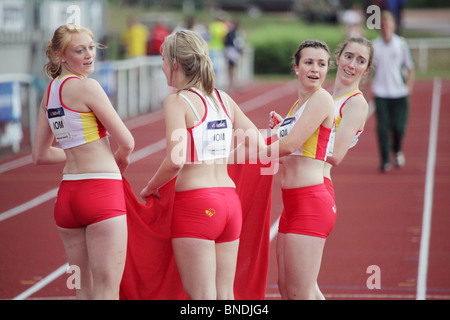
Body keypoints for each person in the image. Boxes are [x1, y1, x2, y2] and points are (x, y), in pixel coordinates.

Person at [139, 30, 265, 300]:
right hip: (230, 205)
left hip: (197, 205)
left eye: (163, 60)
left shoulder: (177, 101)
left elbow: (175, 160)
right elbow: (257, 143)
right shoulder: (223, 99)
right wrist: (218, 157)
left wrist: (151, 186)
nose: (161, 67)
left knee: (202, 298)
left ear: (175, 63)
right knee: (225, 295)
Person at [32, 24, 135, 299]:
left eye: (91, 47)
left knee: (83, 290)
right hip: (102, 192)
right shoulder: (88, 87)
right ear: (60, 56)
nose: (89, 55)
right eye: (80, 50)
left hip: (68, 199)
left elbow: (40, 155)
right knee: (107, 290)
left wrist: (79, 149)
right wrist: (118, 159)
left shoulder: (50, 93)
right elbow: (127, 141)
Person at [266, 40, 335, 300]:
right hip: (292, 205)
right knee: (287, 288)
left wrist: (242, 155)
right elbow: (292, 154)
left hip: (310, 204)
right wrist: (282, 127)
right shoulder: (297, 108)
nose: (315, 68)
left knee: (300, 293)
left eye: (321, 64)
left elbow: (289, 145)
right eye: (308, 62)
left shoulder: (321, 98)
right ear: (296, 67)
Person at [325, 37, 374, 199]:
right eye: (348, 56)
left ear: (366, 70)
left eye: (361, 61)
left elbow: (335, 155)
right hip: (293, 191)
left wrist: (292, 142)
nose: (352, 65)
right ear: (338, 58)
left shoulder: (356, 104)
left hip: (316, 188)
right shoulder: (326, 99)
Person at [372, 10, 414, 172]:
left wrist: (409, 87)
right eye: (383, 25)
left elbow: (410, 67)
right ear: (380, 27)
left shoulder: (401, 44)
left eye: (388, 25)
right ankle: (384, 159)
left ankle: (396, 149)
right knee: (382, 128)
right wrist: (370, 88)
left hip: (399, 93)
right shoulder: (375, 45)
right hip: (381, 93)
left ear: (394, 26)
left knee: (399, 127)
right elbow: (370, 69)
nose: (386, 28)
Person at [224, 20, 245, 91]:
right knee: (231, 67)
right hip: (231, 51)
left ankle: (236, 83)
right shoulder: (230, 33)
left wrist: (241, 51)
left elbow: (240, 43)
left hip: (235, 52)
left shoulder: (239, 33)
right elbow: (227, 43)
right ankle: (231, 84)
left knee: (236, 68)